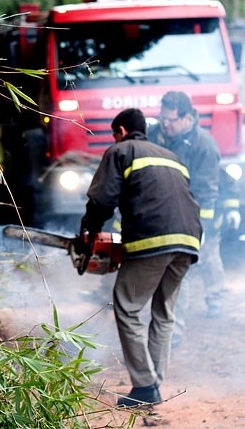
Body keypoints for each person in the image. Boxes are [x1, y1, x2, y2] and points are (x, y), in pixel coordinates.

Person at [77, 108, 202, 407]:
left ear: (120, 131)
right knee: (164, 312)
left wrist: (89, 232)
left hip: (153, 240)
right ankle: (153, 382)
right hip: (188, 241)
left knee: (127, 305)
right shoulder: (171, 156)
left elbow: (102, 199)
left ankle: (145, 387)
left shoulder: (120, 150)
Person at [147, 91, 240, 343]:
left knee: (208, 256)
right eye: (162, 118)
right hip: (167, 213)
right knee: (177, 270)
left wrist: (201, 228)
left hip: (199, 214)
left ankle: (215, 300)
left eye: (171, 120)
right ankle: (172, 329)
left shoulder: (204, 145)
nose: (165, 124)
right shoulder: (156, 135)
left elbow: (207, 192)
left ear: (187, 118)